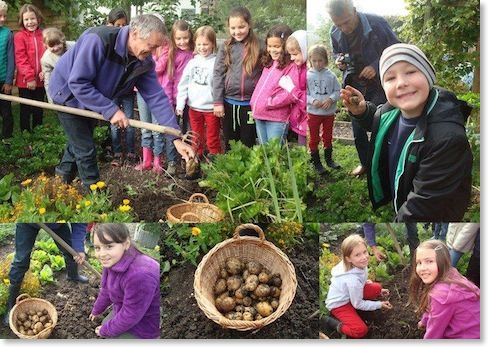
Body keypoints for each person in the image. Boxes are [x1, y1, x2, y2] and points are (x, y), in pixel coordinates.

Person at [48, 14, 194, 190]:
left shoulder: (143, 61)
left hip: (93, 97)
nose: (154, 53)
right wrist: (111, 109)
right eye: (151, 46)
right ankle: (95, 199)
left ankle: (60, 179)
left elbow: (156, 97)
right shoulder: (99, 40)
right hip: (67, 94)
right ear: (134, 33)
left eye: (157, 47)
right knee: (85, 148)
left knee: (79, 140)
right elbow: (78, 82)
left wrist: (175, 137)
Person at [341, 43, 472, 222]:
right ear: (383, 86)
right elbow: (379, 122)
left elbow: (424, 206)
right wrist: (362, 112)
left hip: (431, 211)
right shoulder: (391, 110)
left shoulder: (447, 140)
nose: (401, 83)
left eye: (410, 72)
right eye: (390, 78)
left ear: (428, 75)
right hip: (403, 192)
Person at [326, 0, 399, 177]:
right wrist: (340, 61)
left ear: (355, 11)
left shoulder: (378, 24)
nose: (344, 28)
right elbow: (338, 53)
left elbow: (396, 50)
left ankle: (386, 164)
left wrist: (375, 65)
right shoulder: (334, 32)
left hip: (379, 85)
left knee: (381, 124)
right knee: (358, 128)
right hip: (354, 83)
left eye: (346, 21)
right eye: (338, 24)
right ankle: (365, 164)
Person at [136, 19, 193, 174]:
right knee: (150, 128)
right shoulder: (148, 49)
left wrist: (148, 64)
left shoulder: (173, 51)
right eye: (179, 38)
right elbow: (159, 71)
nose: (182, 41)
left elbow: (158, 68)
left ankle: (161, 160)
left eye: (185, 38)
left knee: (166, 130)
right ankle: (150, 160)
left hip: (175, 97)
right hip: (158, 95)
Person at [2, 223, 88, 326]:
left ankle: (73, 276)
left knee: (72, 252)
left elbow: (79, 222)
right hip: (28, 223)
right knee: (21, 261)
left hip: (57, 223)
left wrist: (78, 247)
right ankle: (11, 306)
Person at [89, 224, 159, 339]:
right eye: (97, 247)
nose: (101, 254)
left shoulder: (140, 275)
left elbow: (131, 315)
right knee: (106, 323)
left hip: (145, 326)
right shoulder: (112, 261)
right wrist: (97, 310)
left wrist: (105, 330)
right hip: (128, 310)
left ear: (126, 244)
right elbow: (106, 289)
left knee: (110, 333)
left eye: (109, 246)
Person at [213, 6, 263, 150]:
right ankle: (230, 171)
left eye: (241, 27)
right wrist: (217, 101)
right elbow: (218, 74)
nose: (237, 31)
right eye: (233, 28)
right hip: (228, 103)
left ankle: (248, 172)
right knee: (230, 140)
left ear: (249, 25)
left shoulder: (260, 45)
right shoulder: (226, 46)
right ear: (228, 27)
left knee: (248, 141)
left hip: (250, 105)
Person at [324, 234, 392, 338]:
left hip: (351, 294)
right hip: (339, 305)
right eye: (357, 255)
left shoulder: (358, 264)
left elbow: (361, 279)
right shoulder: (352, 281)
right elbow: (358, 304)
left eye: (365, 252)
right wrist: (379, 304)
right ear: (348, 259)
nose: (364, 257)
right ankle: (333, 323)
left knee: (377, 288)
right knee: (360, 330)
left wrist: (373, 287)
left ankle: (358, 300)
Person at [408, 239, 480, 339]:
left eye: (429, 261)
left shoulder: (441, 295)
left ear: (443, 262)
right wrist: (424, 321)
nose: (422, 267)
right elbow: (431, 308)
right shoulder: (451, 273)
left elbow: (434, 333)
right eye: (419, 263)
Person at [176, 25, 222, 160]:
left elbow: (219, 85)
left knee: (212, 136)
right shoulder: (192, 63)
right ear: (195, 44)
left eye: (206, 44)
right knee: (196, 136)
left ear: (212, 43)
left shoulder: (216, 62)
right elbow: (183, 84)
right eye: (199, 44)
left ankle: (215, 160)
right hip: (194, 107)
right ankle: (197, 159)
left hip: (211, 108)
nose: (202, 47)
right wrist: (180, 104)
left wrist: (219, 103)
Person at [250, 24, 296, 144]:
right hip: (260, 115)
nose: (272, 50)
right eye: (269, 46)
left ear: (287, 46)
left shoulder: (290, 67)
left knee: (274, 155)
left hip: (276, 119)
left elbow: (290, 93)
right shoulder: (270, 63)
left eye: (277, 46)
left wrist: (270, 102)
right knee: (264, 152)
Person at [106, 8, 137, 167]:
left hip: (128, 92)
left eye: (124, 25)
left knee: (130, 122)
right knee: (115, 124)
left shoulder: (130, 46)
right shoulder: (108, 45)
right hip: (113, 93)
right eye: (118, 25)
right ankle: (117, 152)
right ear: (109, 24)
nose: (121, 29)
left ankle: (131, 152)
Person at [306, 44, 341, 175]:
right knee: (314, 138)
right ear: (310, 60)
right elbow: (303, 93)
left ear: (325, 60)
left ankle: (329, 159)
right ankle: (316, 162)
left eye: (320, 60)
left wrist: (331, 99)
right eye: (314, 60)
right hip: (313, 114)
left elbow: (338, 91)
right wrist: (312, 100)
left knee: (328, 136)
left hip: (328, 113)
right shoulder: (307, 76)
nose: (317, 63)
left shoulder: (331, 75)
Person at [14, 3, 46, 132]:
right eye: (26, 19)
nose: (30, 22)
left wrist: (45, 71)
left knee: (39, 108)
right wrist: (29, 77)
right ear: (22, 21)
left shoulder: (44, 34)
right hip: (25, 82)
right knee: (26, 109)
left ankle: (38, 133)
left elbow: (48, 55)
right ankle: (26, 135)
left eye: (32, 18)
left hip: (41, 80)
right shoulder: (19, 36)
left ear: (38, 18)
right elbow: (21, 59)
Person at [282, 29, 308, 146]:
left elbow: (309, 101)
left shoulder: (311, 72)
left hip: (309, 120)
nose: (292, 58)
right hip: (300, 118)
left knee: (307, 149)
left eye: (295, 54)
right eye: (290, 54)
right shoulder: (296, 67)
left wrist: (291, 89)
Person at [41, 27, 70, 103]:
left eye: (58, 44)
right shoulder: (46, 59)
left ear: (63, 40)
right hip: (64, 85)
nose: (56, 48)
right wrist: (51, 101)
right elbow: (48, 81)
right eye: (52, 46)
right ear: (46, 46)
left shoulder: (74, 47)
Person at [0, 0, 14, 139]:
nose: (3, 19)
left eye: (4, 16)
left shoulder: (8, 34)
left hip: (4, 80)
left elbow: (11, 59)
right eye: (0, 16)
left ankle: (7, 139)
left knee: (6, 112)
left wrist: (9, 81)